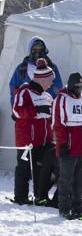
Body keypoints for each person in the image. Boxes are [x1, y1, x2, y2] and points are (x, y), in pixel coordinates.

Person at [53, 72, 82, 220]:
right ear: (70, 84)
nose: (78, 88)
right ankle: (64, 208)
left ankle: (77, 207)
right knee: (65, 179)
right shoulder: (61, 99)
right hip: (69, 143)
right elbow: (58, 124)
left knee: (81, 178)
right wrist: (62, 143)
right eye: (76, 85)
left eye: (80, 85)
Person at [11, 59, 56, 205]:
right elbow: (17, 112)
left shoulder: (47, 96)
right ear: (42, 80)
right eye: (50, 80)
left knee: (41, 169)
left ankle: (39, 196)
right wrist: (36, 110)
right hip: (26, 141)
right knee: (24, 168)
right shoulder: (24, 92)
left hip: (44, 141)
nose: (51, 84)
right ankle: (21, 197)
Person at [8, 36, 63, 104]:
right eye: (35, 49)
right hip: (26, 109)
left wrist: (44, 98)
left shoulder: (52, 67)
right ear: (30, 50)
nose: (38, 52)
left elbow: (58, 88)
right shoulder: (22, 68)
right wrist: (16, 108)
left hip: (47, 108)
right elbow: (14, 90)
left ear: (45, 50)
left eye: (41, 49)